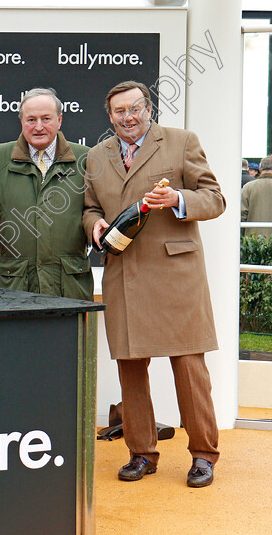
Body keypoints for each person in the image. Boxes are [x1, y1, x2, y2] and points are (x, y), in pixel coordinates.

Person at [83, 80, 225, 488]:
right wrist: (94, 225)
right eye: (119, 112)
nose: (128, 117)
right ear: (109, 117)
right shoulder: (97, 155)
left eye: (135, 109)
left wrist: (178, 199)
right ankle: (141, 453)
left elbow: (214, 198)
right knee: (131, 370)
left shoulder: (182, 141)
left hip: (176, 277)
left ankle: (203, 455)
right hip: (124, 273)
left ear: (149, 109)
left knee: (189, 369)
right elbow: (90, 206)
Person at [0, 88, 92, 300]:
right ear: (21, 121)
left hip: (70, 287)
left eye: (46, 119)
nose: (39, 127)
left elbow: (99, 211)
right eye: (31, 119)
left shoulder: (88, 159)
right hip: (13, 287)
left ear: (59, 120)